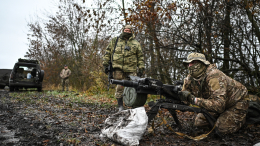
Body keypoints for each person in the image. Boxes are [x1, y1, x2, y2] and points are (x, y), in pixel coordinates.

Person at [178, 52, 249, 135]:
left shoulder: (214, 76)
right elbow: (185, 99)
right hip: (216, 102)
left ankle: (242, 118)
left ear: (202, 63)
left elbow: (219, 106)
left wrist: (194, 100)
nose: (190, 65)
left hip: (237, 102)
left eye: (193, 62)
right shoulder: (190, 78)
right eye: (188, 63)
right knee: (199, 123)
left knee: (221, 129)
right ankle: (223, 117)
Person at [103, 25, 145, 111]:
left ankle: (134, 105)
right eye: (125, 30)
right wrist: (105, 64)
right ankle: (120, 105)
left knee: (134, 87)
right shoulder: (115, 41)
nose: (127, 31)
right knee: (120, 86)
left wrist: (141, 68)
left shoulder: (136, 43)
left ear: (131, 31)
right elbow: (108, 52)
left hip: (131, 69)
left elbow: (140, 56)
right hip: (118, 68)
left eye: (129, 30)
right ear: (123, 30)